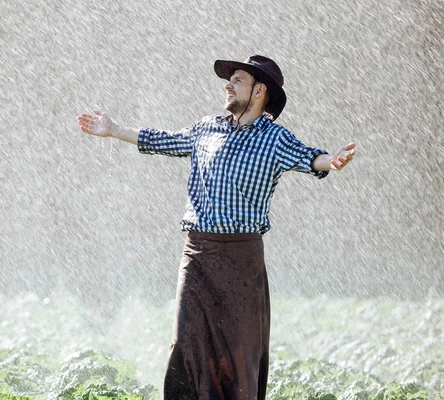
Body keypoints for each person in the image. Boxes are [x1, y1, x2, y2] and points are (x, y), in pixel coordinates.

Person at [77, 55, 356, 400]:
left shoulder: (275, 139)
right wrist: (114, 130)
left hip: (242, 262)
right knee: (186, 345)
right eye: (231, 80)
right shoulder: (206, 128)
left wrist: (333, 161)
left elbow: (310, 157)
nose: (228, 84)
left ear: (259, 91)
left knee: (236, 359)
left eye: (237, 80)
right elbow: (163, 140)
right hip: (196, 256)